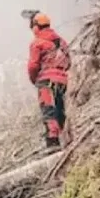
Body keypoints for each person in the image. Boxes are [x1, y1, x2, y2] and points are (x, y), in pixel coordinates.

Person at [26, 12, 71, 150]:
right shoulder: (61, 42)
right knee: (60, 109)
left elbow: (33, 66)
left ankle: (53, 142)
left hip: (46, 81)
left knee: (48, 111)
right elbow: (68, 62)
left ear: (36, 27)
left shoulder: (37, 43)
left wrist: (35, 80)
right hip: (63, 81)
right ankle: (67, 139)